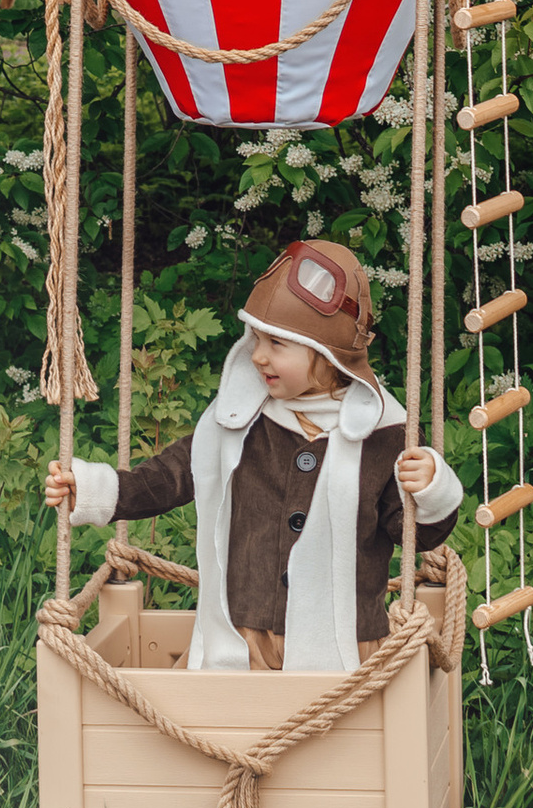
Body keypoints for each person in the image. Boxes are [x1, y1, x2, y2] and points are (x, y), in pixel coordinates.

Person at [42, 237, 462, 671]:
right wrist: (95, 489)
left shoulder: (383, 433)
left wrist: (430, 490)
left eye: (278, 345)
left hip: (345, 650)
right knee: (216, 728)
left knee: (339, 737)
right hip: (242, 643)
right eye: (256, 339)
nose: (258, 356)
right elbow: (171, 476)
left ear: (325, 354)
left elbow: (413, 533)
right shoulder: (240, 420)